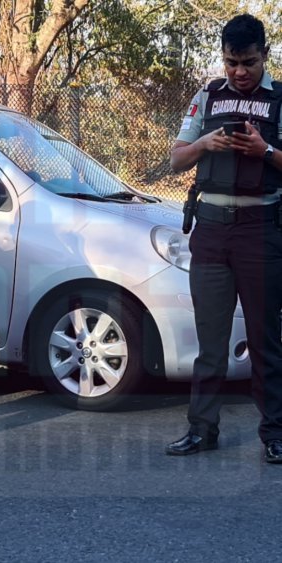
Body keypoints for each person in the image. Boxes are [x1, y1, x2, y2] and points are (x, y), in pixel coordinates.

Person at [165, 14, 282, 463]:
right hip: (211, 232)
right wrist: (204, 145)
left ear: (264, 55)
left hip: (260, 233)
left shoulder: (278, 99)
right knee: (209, 339)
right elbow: (176, 160)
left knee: (265, 340)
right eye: (231, 62)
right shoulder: (207, 97)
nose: (239, 71)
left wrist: (265, 152)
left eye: (248, 62)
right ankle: (202, 430)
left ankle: (274, 433)